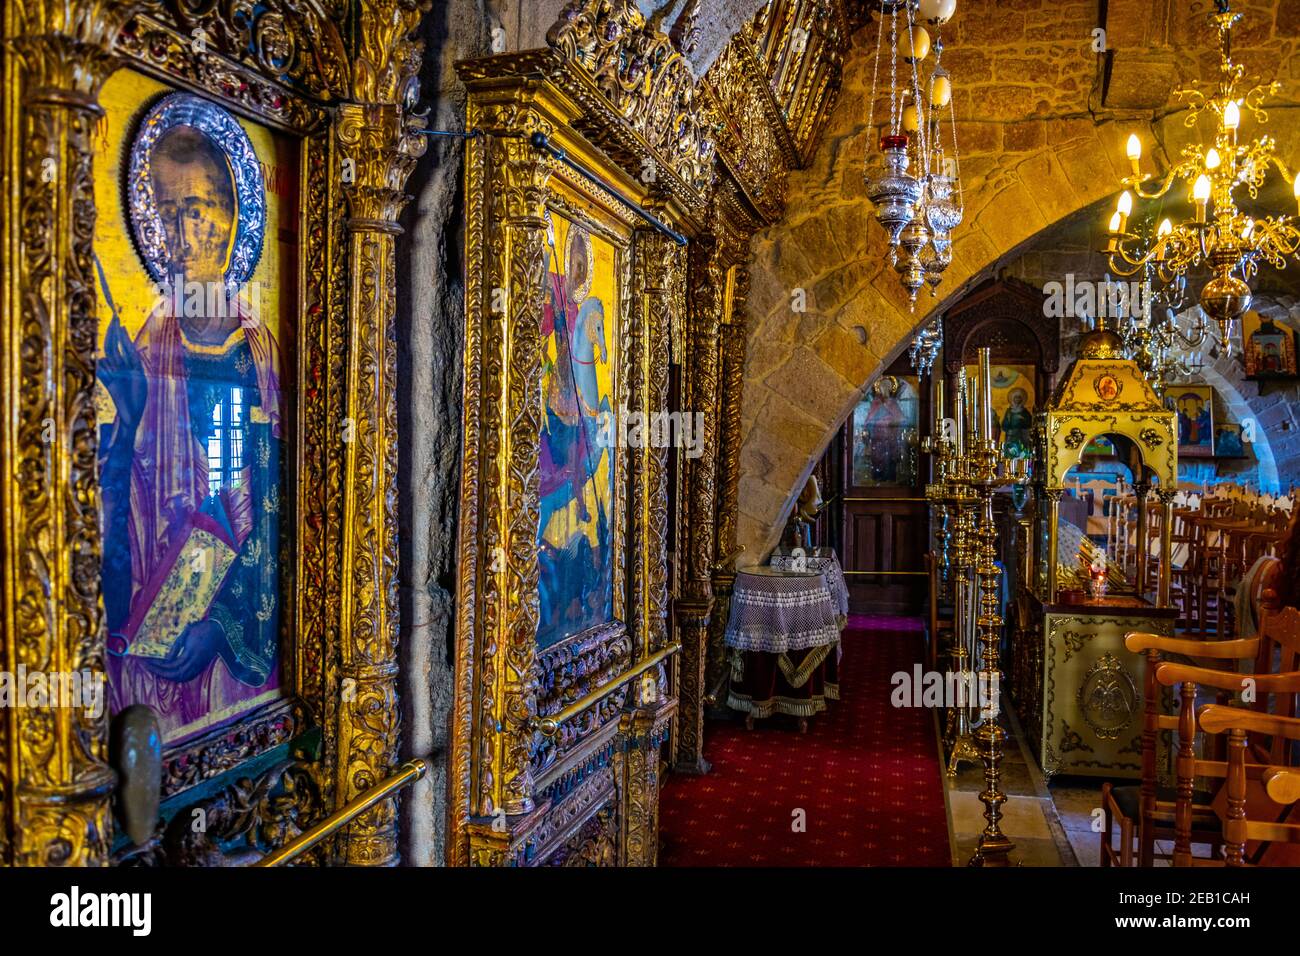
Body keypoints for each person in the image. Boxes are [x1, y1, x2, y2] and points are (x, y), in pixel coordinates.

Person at [99, 105, 284, 743]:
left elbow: (274, 503)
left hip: (227, 635)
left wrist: (223, 626)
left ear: (233, 219)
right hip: (154, 613)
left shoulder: (258, 353)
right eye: (166, 212)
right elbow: (122, 496)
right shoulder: (150, 344)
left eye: (196, 209)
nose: (179, 234)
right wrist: (125, 420)